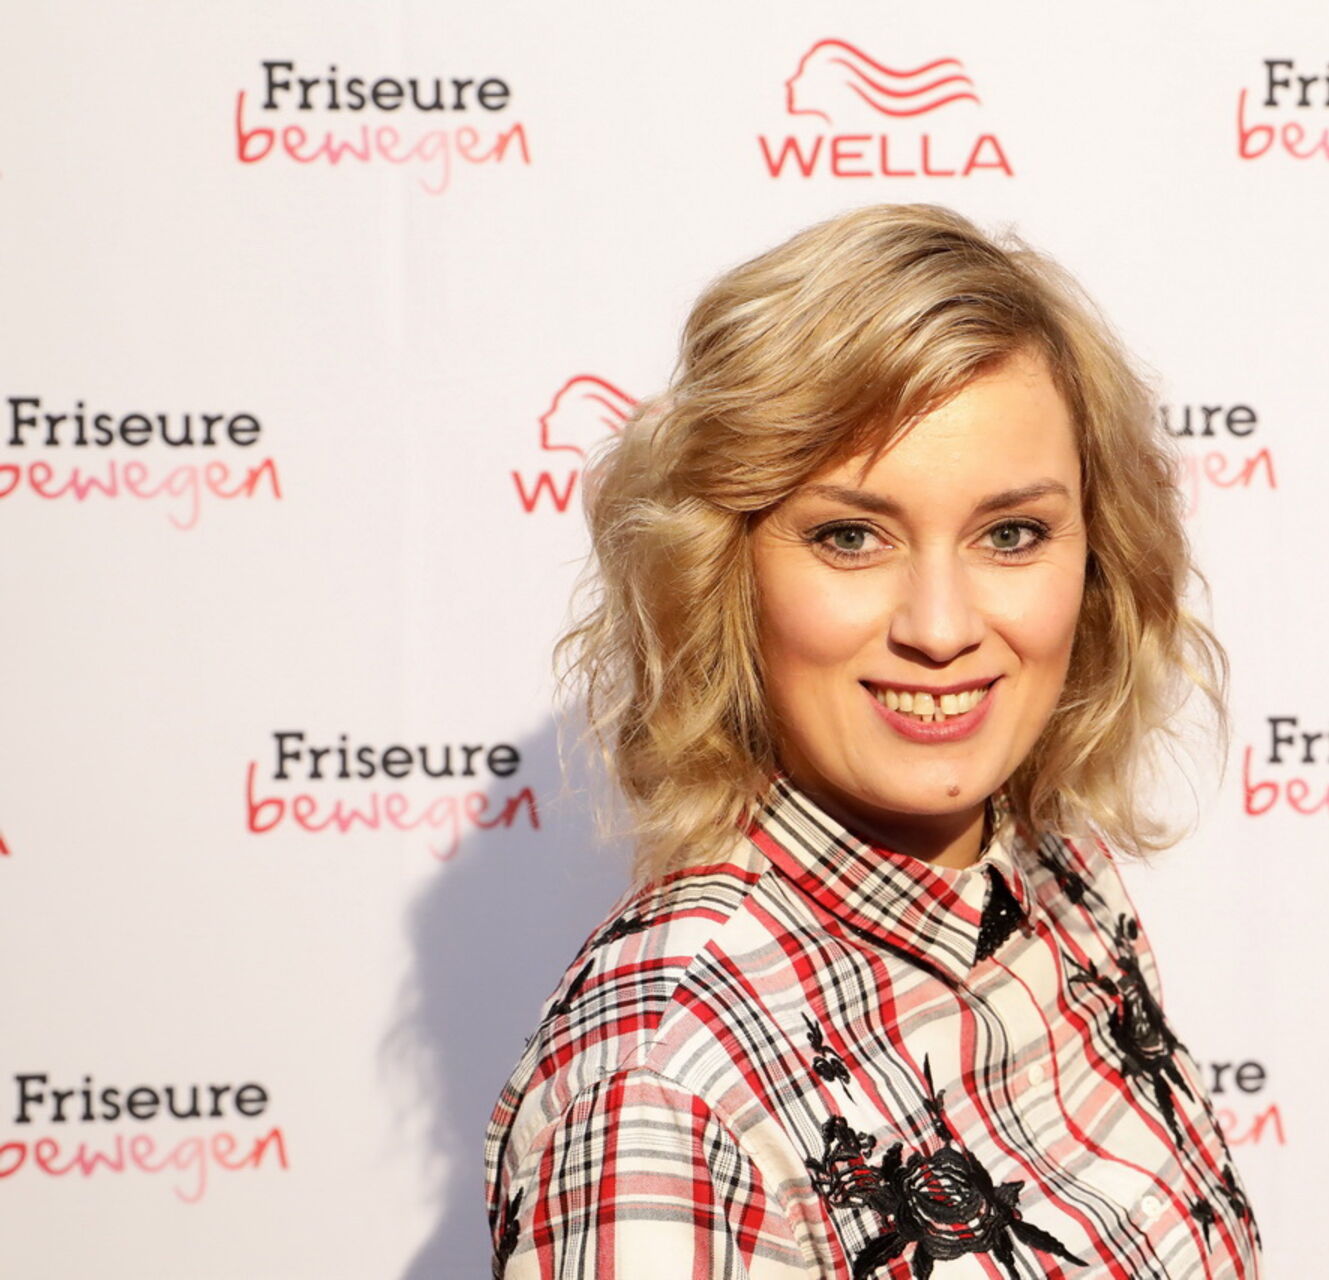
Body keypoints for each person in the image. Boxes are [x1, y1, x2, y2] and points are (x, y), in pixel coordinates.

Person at [484, 203, 1260, 1278]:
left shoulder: (1058, 871)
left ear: (1097, 556)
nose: (940, 628)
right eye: (852, 536)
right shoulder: (663, 1094)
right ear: (723, 570)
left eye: (1011, 534)